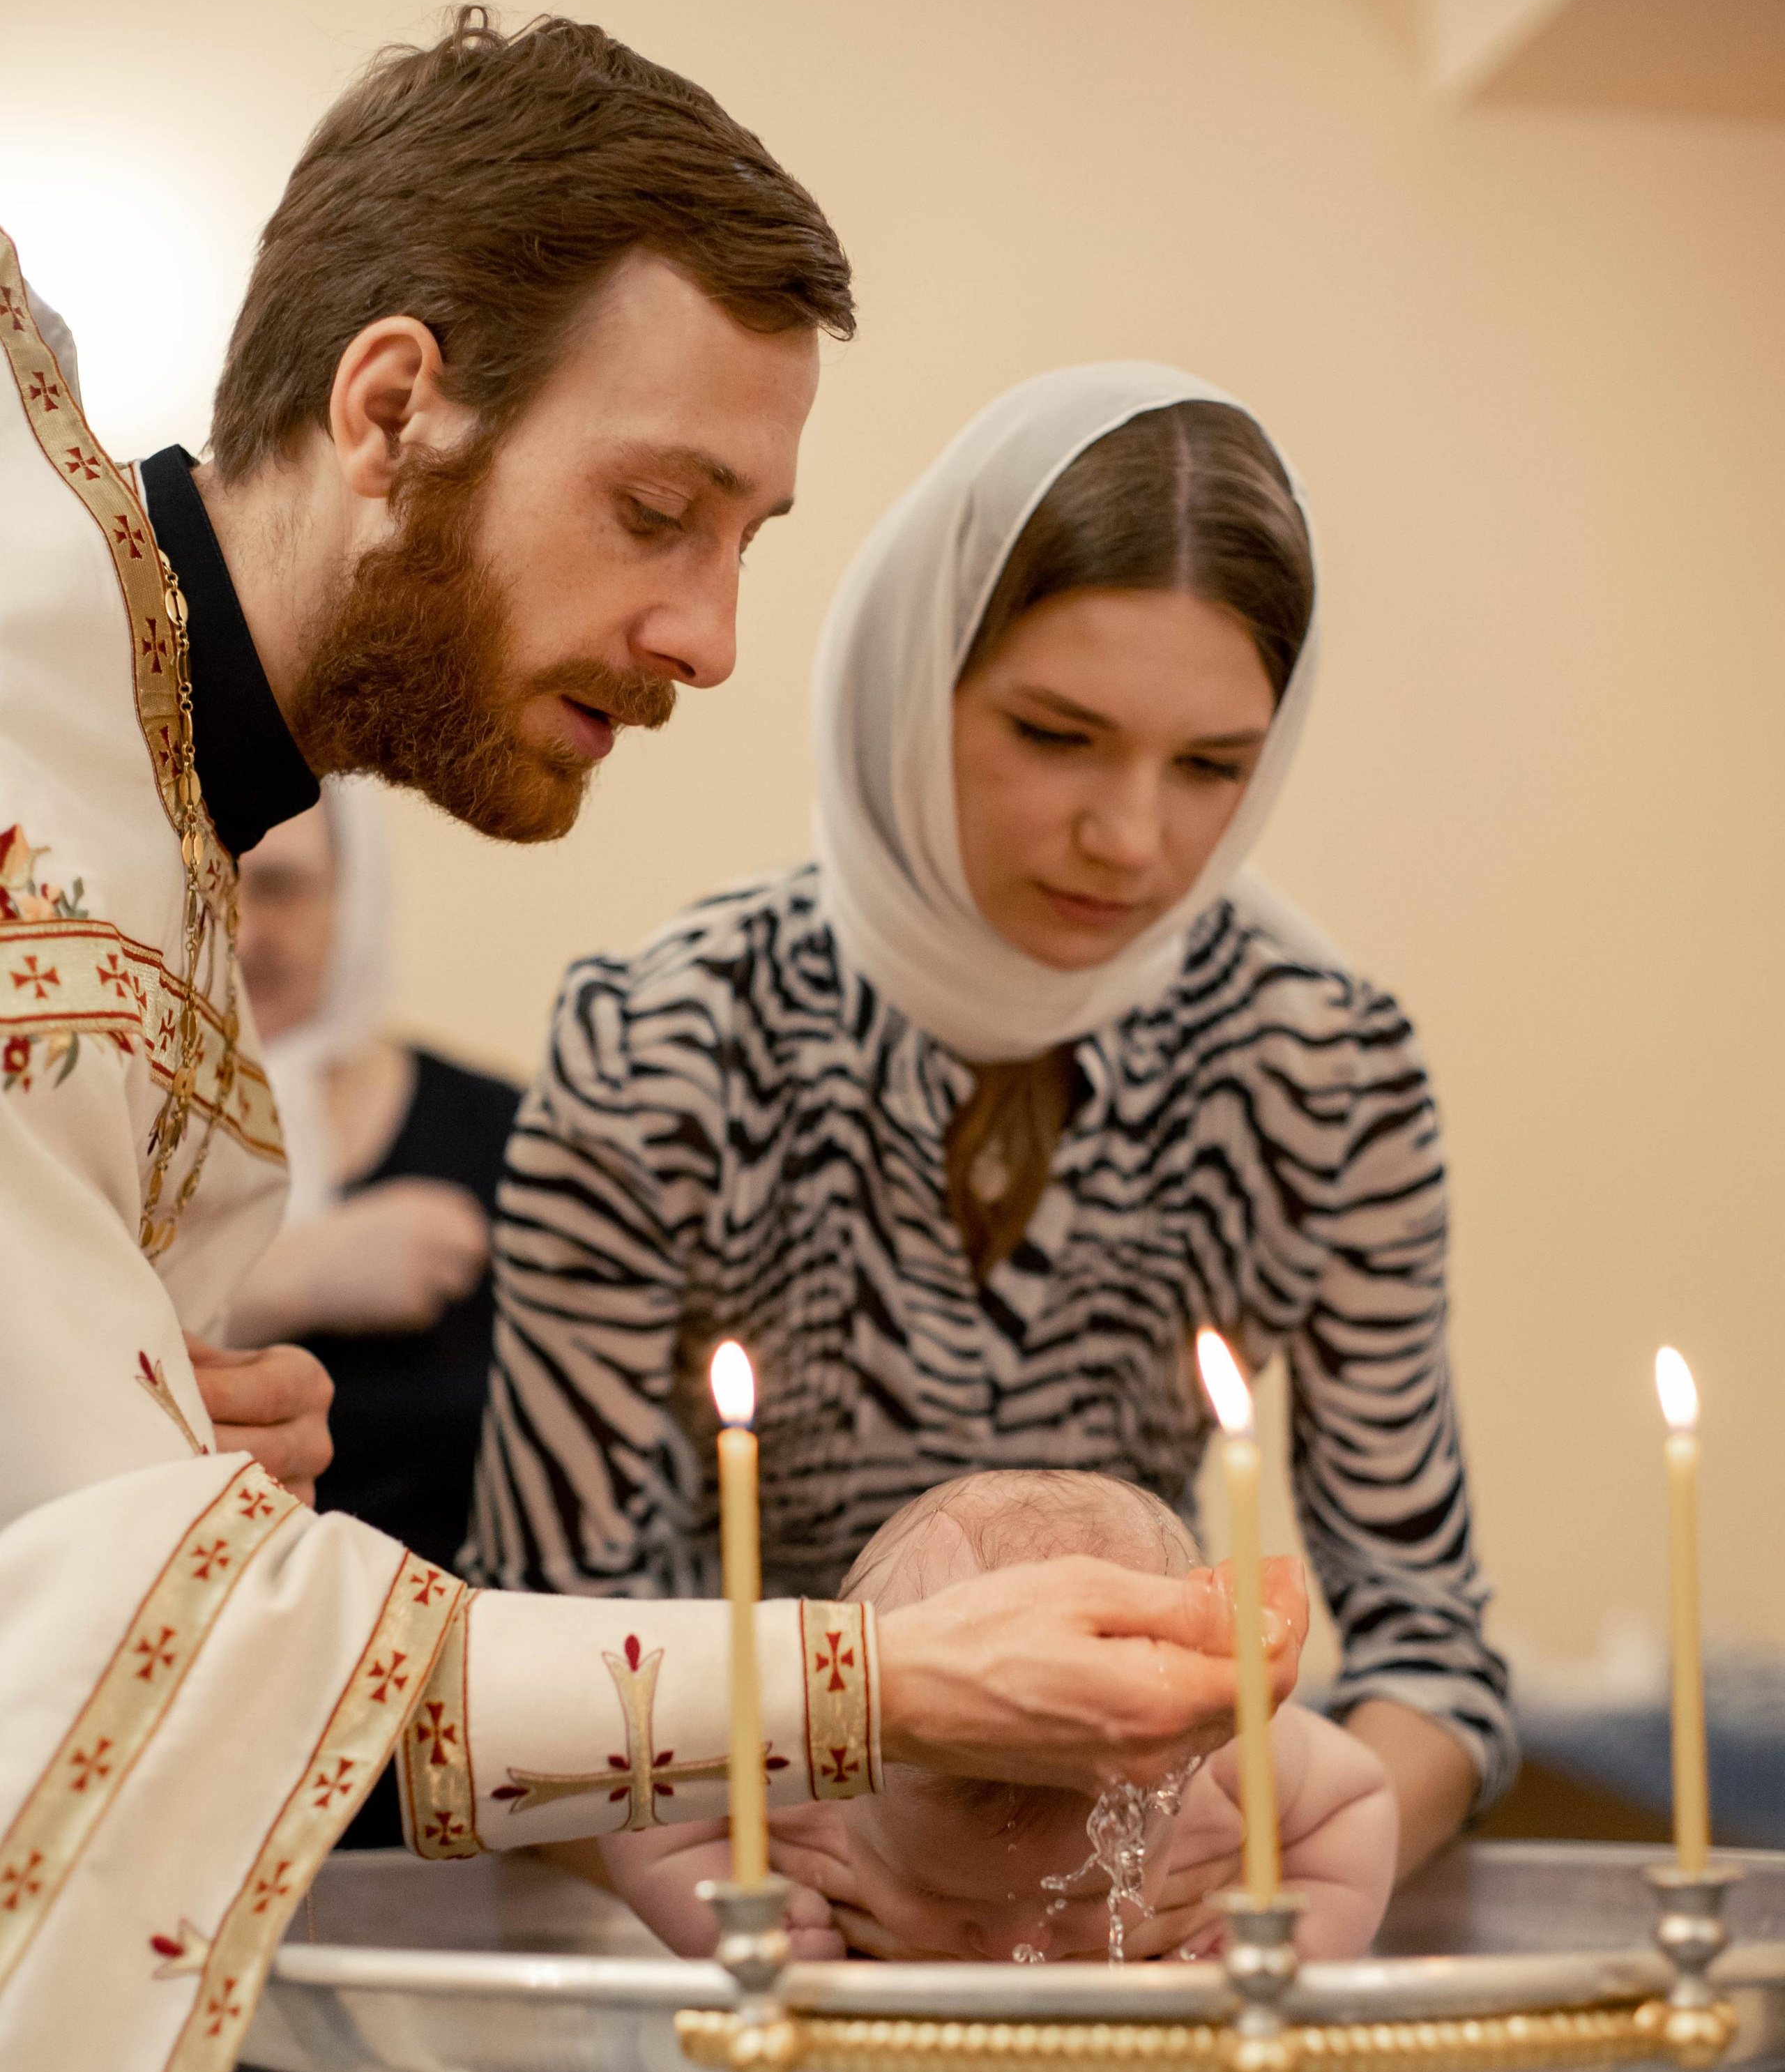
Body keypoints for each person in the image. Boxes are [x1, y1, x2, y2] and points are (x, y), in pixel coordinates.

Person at [0, 23, 1305, 2072]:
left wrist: (151, 1461)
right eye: (655, 511)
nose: (705, 629)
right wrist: (876, 1686)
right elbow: (98, 1656)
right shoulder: (42, 779)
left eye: (745, 534)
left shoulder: (147, 803)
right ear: (393, 408)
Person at [474, 365, 1514, 1890]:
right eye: (1054, 734)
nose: (1131, 838)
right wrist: (778, 1871)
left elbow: (1434, 1654)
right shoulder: (665, 1045)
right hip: (743, 1915)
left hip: (1135, 1913)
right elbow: (548, 1653)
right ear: (912, 683)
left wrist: (1283, 1834)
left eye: (1212, 766)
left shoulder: (1320, 1067)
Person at [605, 1468, 1399, 1964]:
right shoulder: (808, 1762)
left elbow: (1356, 1801)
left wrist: (1300, 1935)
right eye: (949, 1903)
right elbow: (642, 1810)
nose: (1024, 1946)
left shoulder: (1217, 1761)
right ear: (851, 1772)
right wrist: (723, 1920)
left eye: (1084, 1900)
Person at [230, 779, 519, 1574]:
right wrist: (290, 1277)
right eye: (207, 883)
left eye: (280, 888)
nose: (243, 931)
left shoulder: (504, 1138)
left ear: (353, 894)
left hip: (469, 1665)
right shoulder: (91, 1131)